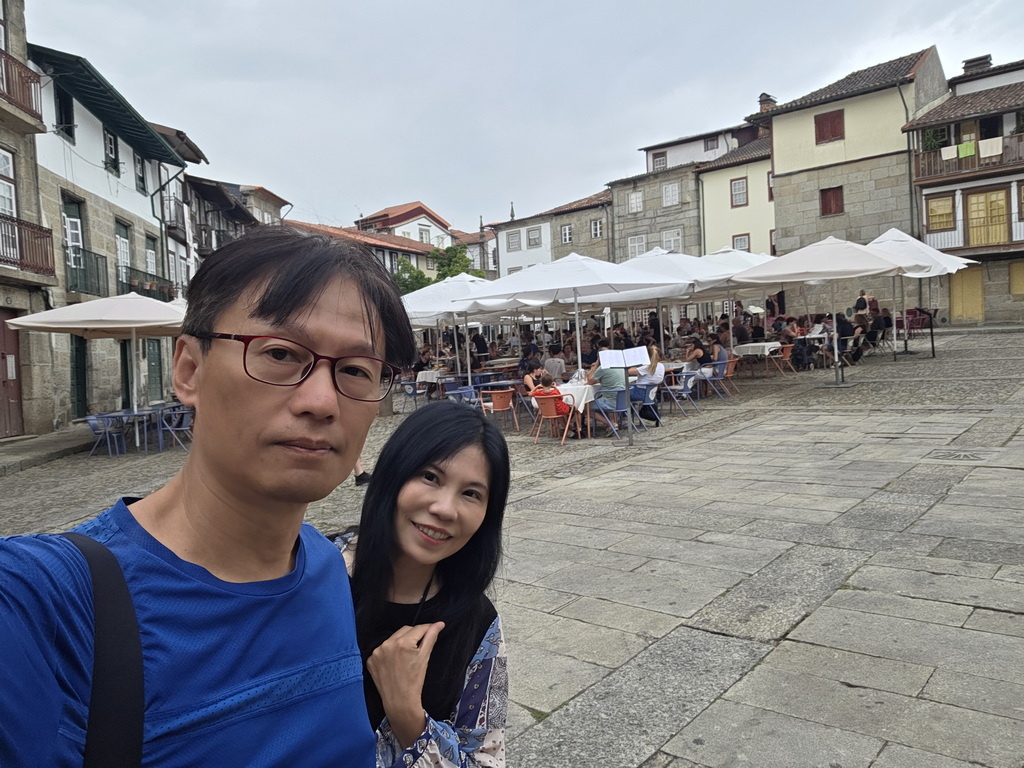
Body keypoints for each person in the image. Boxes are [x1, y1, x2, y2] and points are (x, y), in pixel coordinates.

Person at [0, 226, 416, 765]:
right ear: (189, 370)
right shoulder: (40, 604)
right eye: (280, 353)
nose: (321, 401)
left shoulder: (325, 567)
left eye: (356, 370)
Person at [330, 401, 509, 767]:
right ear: (393, 473)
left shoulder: (478, 623)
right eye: (430, 477)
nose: (445, 508)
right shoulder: (312, 572)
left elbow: (485, 759)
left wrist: (408, 715)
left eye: (471, 493)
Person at [587, 338, 627, 435]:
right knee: (601, 398)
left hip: (610, 402)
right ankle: (611, 424)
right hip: (622, 401)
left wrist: (595, 365)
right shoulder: (620, 365)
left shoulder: (603, 368)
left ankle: (611, 424)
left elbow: (589, 381)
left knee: (585, 407)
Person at [629, 343, 665, 425]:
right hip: (650, 393)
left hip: (640, 393)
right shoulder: (661, 366)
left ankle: (623, 416)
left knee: (620, 395)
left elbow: (629, 372)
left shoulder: (646, 367)